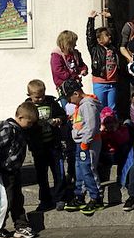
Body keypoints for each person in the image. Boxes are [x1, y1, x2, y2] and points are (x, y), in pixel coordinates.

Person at [0, 102, 38, 238]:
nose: (30, 125)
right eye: (29, 122)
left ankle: (21, 225)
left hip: (14, 170)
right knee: (5, 201)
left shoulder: (20, 130)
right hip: (4, 171)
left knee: (17, 199)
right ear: (20, 117)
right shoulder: (8, 129)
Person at [60, 78, 104, 216]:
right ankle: (80, 195)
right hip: (81, 142)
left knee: (88, 169)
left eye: (68, 97)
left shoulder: (88, 105)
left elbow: (91, 126)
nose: (68, 101)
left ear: (76, 93)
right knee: (80, 169)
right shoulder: (81, 106)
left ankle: (96, 197)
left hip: (88, 143)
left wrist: (85, 141)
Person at [24, 79, 67, 212]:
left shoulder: (51, 103)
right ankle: (45, 200)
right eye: (37, 97)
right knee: (42, 176)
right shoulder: (27, 107)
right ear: (29, 95)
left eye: (42, 95)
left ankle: (60, 197)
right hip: (38, 147)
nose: (40, 99)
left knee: (58, 173)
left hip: (53, 144)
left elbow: (62, 114)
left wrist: (59, 119)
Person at [87, 9, 120, 113]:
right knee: (101, 107)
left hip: (112, 83)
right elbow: (89, 36)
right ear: (99, 39)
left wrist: (110, 19)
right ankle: (101, 127)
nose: (109, 36)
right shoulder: (94, 49)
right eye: (106, 35)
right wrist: (91, 20)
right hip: (100, 82)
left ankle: (113, 128)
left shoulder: (112, 47)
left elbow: (114, 34)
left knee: (112, 108)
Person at [50, 30, 88, 100]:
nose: (75, 45)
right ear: (67, 43)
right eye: (74, 43)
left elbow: (81, 65)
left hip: (76, 84)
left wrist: (84, 69)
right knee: (68, 106)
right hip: (64, 86)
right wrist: (73, 77)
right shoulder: (56, 55)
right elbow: (58, 71)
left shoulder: (75, 54)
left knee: (80, 102)